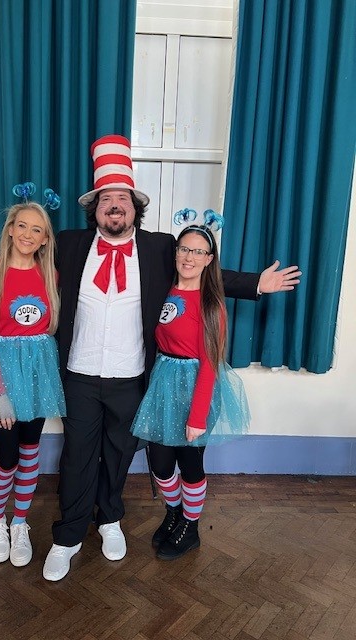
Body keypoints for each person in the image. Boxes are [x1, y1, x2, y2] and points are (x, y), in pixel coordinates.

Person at [0, 134, 301, 581]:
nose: (115, 206)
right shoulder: (71, 244)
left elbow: (200, 267)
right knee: (77, 457)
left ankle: (109, 519)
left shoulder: (159, 248)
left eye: (123, 199)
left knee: (118, 455)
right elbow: (25, 262)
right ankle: (67, 537)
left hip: (131, 376)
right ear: (95, 209)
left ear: (135, 208)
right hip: (77, 374)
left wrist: (255, 284)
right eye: (106, 199)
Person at [131, 219, 250, 560]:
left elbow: (211, 363)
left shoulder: (211, 304)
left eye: (199, 252)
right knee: (160, 462)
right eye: (185, 249)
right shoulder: (163, 291)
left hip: (195, 389)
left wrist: (197, 417)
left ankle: (191, 527)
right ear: (176, 252)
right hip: (163, 385)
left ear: (209, 259)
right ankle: (174, 512)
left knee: (190, 464)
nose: (189, 257)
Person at [0, 200, 65, 567]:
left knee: (29, 450)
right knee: (7, 457)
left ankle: (20, 522)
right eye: (22, 226)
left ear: (45, 239)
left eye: (36, 229)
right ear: (10, 230)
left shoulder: (51, 275)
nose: (28, 234)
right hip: (4, 375)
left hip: (39, 371)